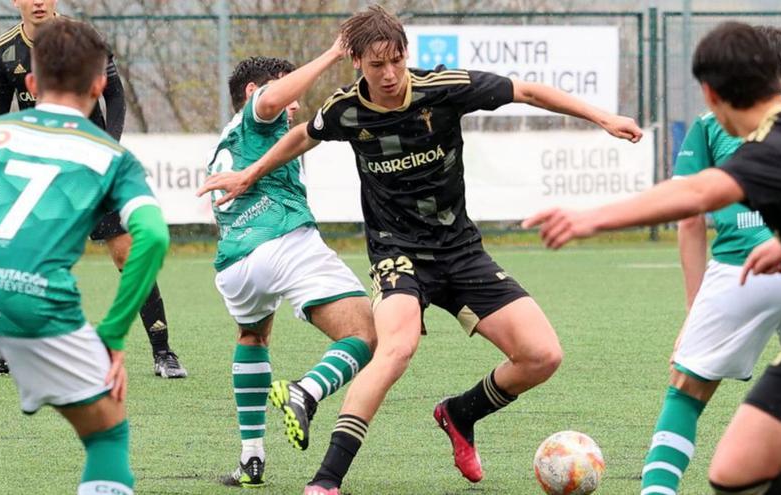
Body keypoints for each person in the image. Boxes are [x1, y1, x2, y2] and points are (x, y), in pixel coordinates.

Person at [198, 6, 642, 494]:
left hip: (460, 250)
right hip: (396, 253)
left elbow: (528, 91)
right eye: (376, 65)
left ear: (406, 54)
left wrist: (602, 117)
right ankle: (325, 481)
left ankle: (459, 413)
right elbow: (302, 136)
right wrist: (247, 174)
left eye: (397, 61)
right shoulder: (346, 109)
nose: (389, 75)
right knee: (394, 348)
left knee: (542, 355)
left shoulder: (444, 88)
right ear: (359, 65)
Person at [524, 21, 781, 495]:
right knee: (735, 471)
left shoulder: (770, 146)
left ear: (710, 95)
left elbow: (695, 193)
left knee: (701, 409)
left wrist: (592, 219)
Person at [0, 18, 169, 494]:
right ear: (98, 84)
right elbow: (152, 237)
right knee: (106, 429)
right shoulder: (111, 158)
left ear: (29, 82)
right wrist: (112, 335)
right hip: (38, 303)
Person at [640, 25, 781, 495]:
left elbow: (689, 212)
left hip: (738, 274)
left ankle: (657, 491)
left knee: (686, 388)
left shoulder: (713, 127)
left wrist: (693, 309)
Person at [0, 0, 185, 378]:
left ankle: (163, 351)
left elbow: (115, 95)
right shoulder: (4, 52)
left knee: (128, 256)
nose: (38, 2)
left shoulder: (85, 38)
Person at [208, 45, 376, 488]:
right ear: (252, 91)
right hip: (281, 243)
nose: (294, 102)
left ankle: (251, 459)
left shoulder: (229, 141)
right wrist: (336, 52)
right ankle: (307, 389)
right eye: (287, 88)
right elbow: (268, 100)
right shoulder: (256, 117)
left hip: (233, 263)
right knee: (365, 332)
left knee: (252, 336)